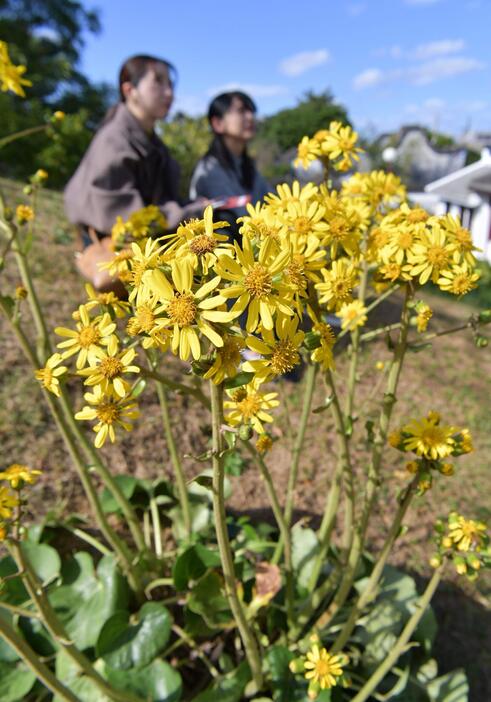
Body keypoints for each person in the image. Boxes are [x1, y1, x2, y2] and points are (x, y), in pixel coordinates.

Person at [64, 54, 206, 290]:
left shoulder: (153, 144)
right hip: (111, 241)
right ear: (130, 90)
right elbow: (131, 218)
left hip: (144, 240)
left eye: (170, 85)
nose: (169, 92)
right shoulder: (114, 139)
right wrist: (192, 210)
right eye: (158, 82)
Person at [189, 91, 270, 241]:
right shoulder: (208, 172)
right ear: (218, 123)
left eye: (251, 111)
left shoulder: (247, 165)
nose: (250, 117)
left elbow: (270, 199)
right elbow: (239, 218)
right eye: (241, 111)